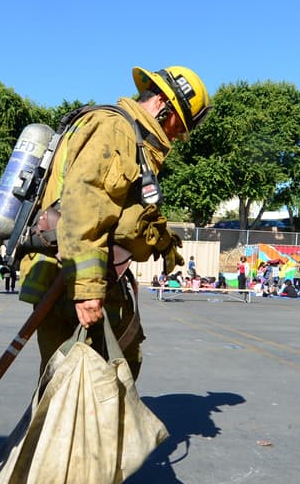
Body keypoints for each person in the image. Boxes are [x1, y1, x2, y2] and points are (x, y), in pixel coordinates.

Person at [18, 66, 210, 378]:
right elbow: (84, 208)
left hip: (74, 275)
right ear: (163, 103)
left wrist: (162, 241)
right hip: (70, 278)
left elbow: (124, 211)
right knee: (82, 387)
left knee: (90, 379)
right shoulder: (115, 129)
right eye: (179, 124)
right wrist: (87, 290)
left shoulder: (131, 136)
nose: (177, 135)